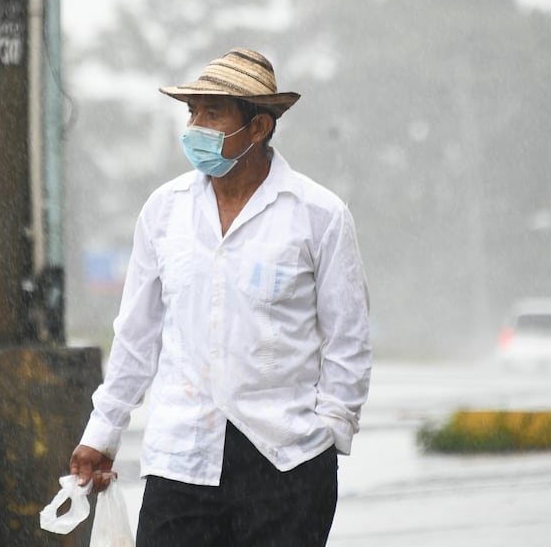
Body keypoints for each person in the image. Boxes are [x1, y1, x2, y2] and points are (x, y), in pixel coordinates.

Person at [70, 48, 372, 546]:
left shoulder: (318, 214)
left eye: (213, 113)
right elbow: (137, 334)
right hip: (182, 459)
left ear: (258, 129)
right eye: (192, 112)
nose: (195, 126)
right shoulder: (164, 212)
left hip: (286, 460)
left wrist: (330, 429)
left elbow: (348, 338)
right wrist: (102, 432)